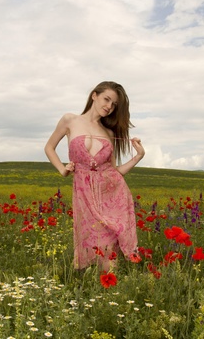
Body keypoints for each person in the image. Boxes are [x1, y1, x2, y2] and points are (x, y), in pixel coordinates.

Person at [45, 81, 145, 271]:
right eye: (107, 99)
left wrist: (138, 156)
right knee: (89, 241)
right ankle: (87, 287)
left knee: (108, 250)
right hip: (84, 193)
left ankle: (110, 289)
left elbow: (114, 171)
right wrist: (62, 169)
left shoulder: (108, 132)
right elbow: (49, 147)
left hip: (110, 193)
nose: (109, 106)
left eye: (114, 104)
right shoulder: (70, 120)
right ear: (94, 95)